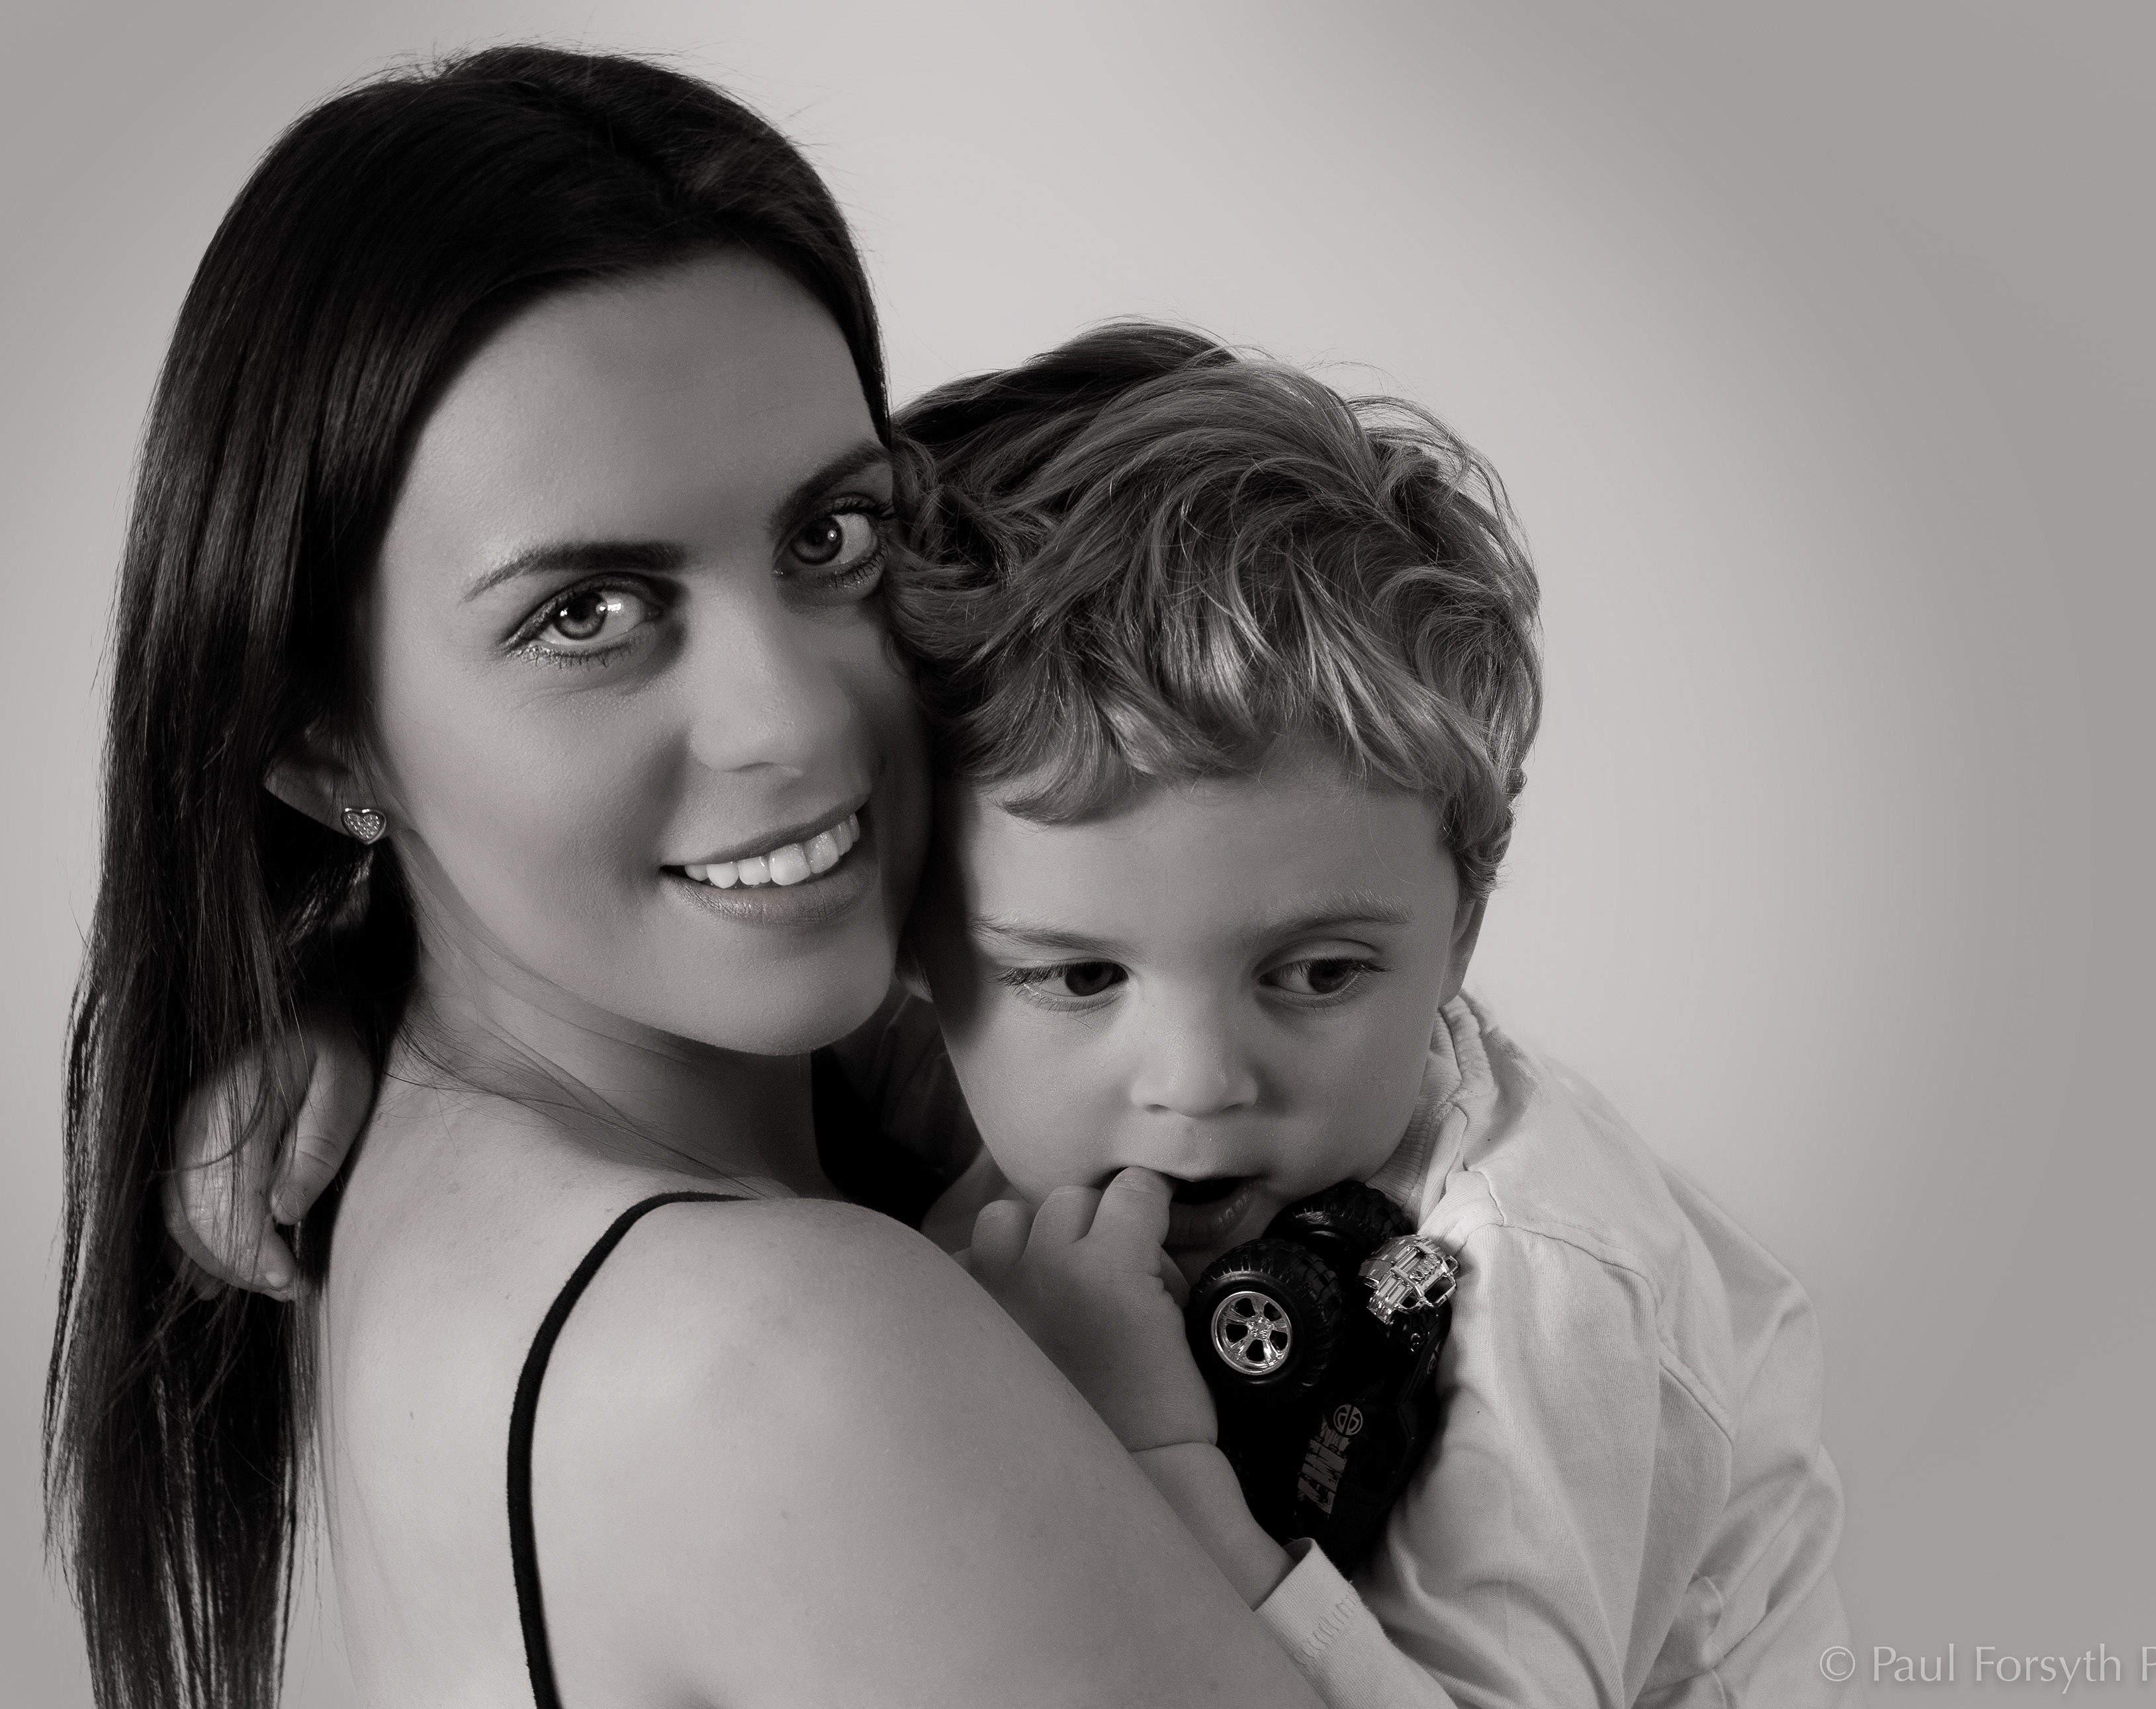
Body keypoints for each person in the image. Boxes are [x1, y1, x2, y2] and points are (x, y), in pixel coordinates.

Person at [191, 324, 1860, 1706]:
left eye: (1316, 972)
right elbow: (665, 995)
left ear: (1465, 921)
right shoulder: (955, 1035)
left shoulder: (1549, 1270)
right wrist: (335, 1017)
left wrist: (1157, 1447)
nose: (1194, 1082)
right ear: (921, 940)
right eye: (1079, 977)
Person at [48, 47, 1333, 1709]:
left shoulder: (407, 1166)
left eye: (830, 538)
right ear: (321, 744)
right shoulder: (786, 1346)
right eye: (585, 614)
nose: (795, 718)